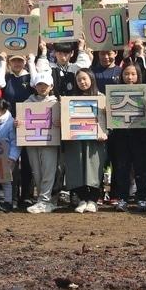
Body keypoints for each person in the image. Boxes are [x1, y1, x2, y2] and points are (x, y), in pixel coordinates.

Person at [107, 61, 146, 212]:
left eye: (133, 74)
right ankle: (122, 198)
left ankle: (142, 198)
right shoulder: (114, 92)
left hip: (140, 135)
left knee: (141, 168)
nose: (130, 77)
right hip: (120, 135)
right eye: (126, 74)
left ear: (139, 76)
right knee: (122, 168)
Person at [63, 69, 107, 213]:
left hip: (95, 141)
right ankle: (82, 199)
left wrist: (105, 133)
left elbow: (110, 120)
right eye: (79, 80)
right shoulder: (70, 98)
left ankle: (93, 200)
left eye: (85, 79)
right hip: (75, 140)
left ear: (92, 79)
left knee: (94, 168)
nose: (82, 82)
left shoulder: (101, 97)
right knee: (77, 166)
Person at [24, 64, 61, 214]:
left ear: (51, 86)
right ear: (35, 86)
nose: (42, 87)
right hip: (32, 141)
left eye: (45, 85)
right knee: (36, 171)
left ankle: (45, 200)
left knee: (48, 170)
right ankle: (43, 199)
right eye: (39, 84)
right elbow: (21, 119)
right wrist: (18, 122)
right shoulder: (27, 102)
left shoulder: (56, 103)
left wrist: (61, 122)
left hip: (49, 141)